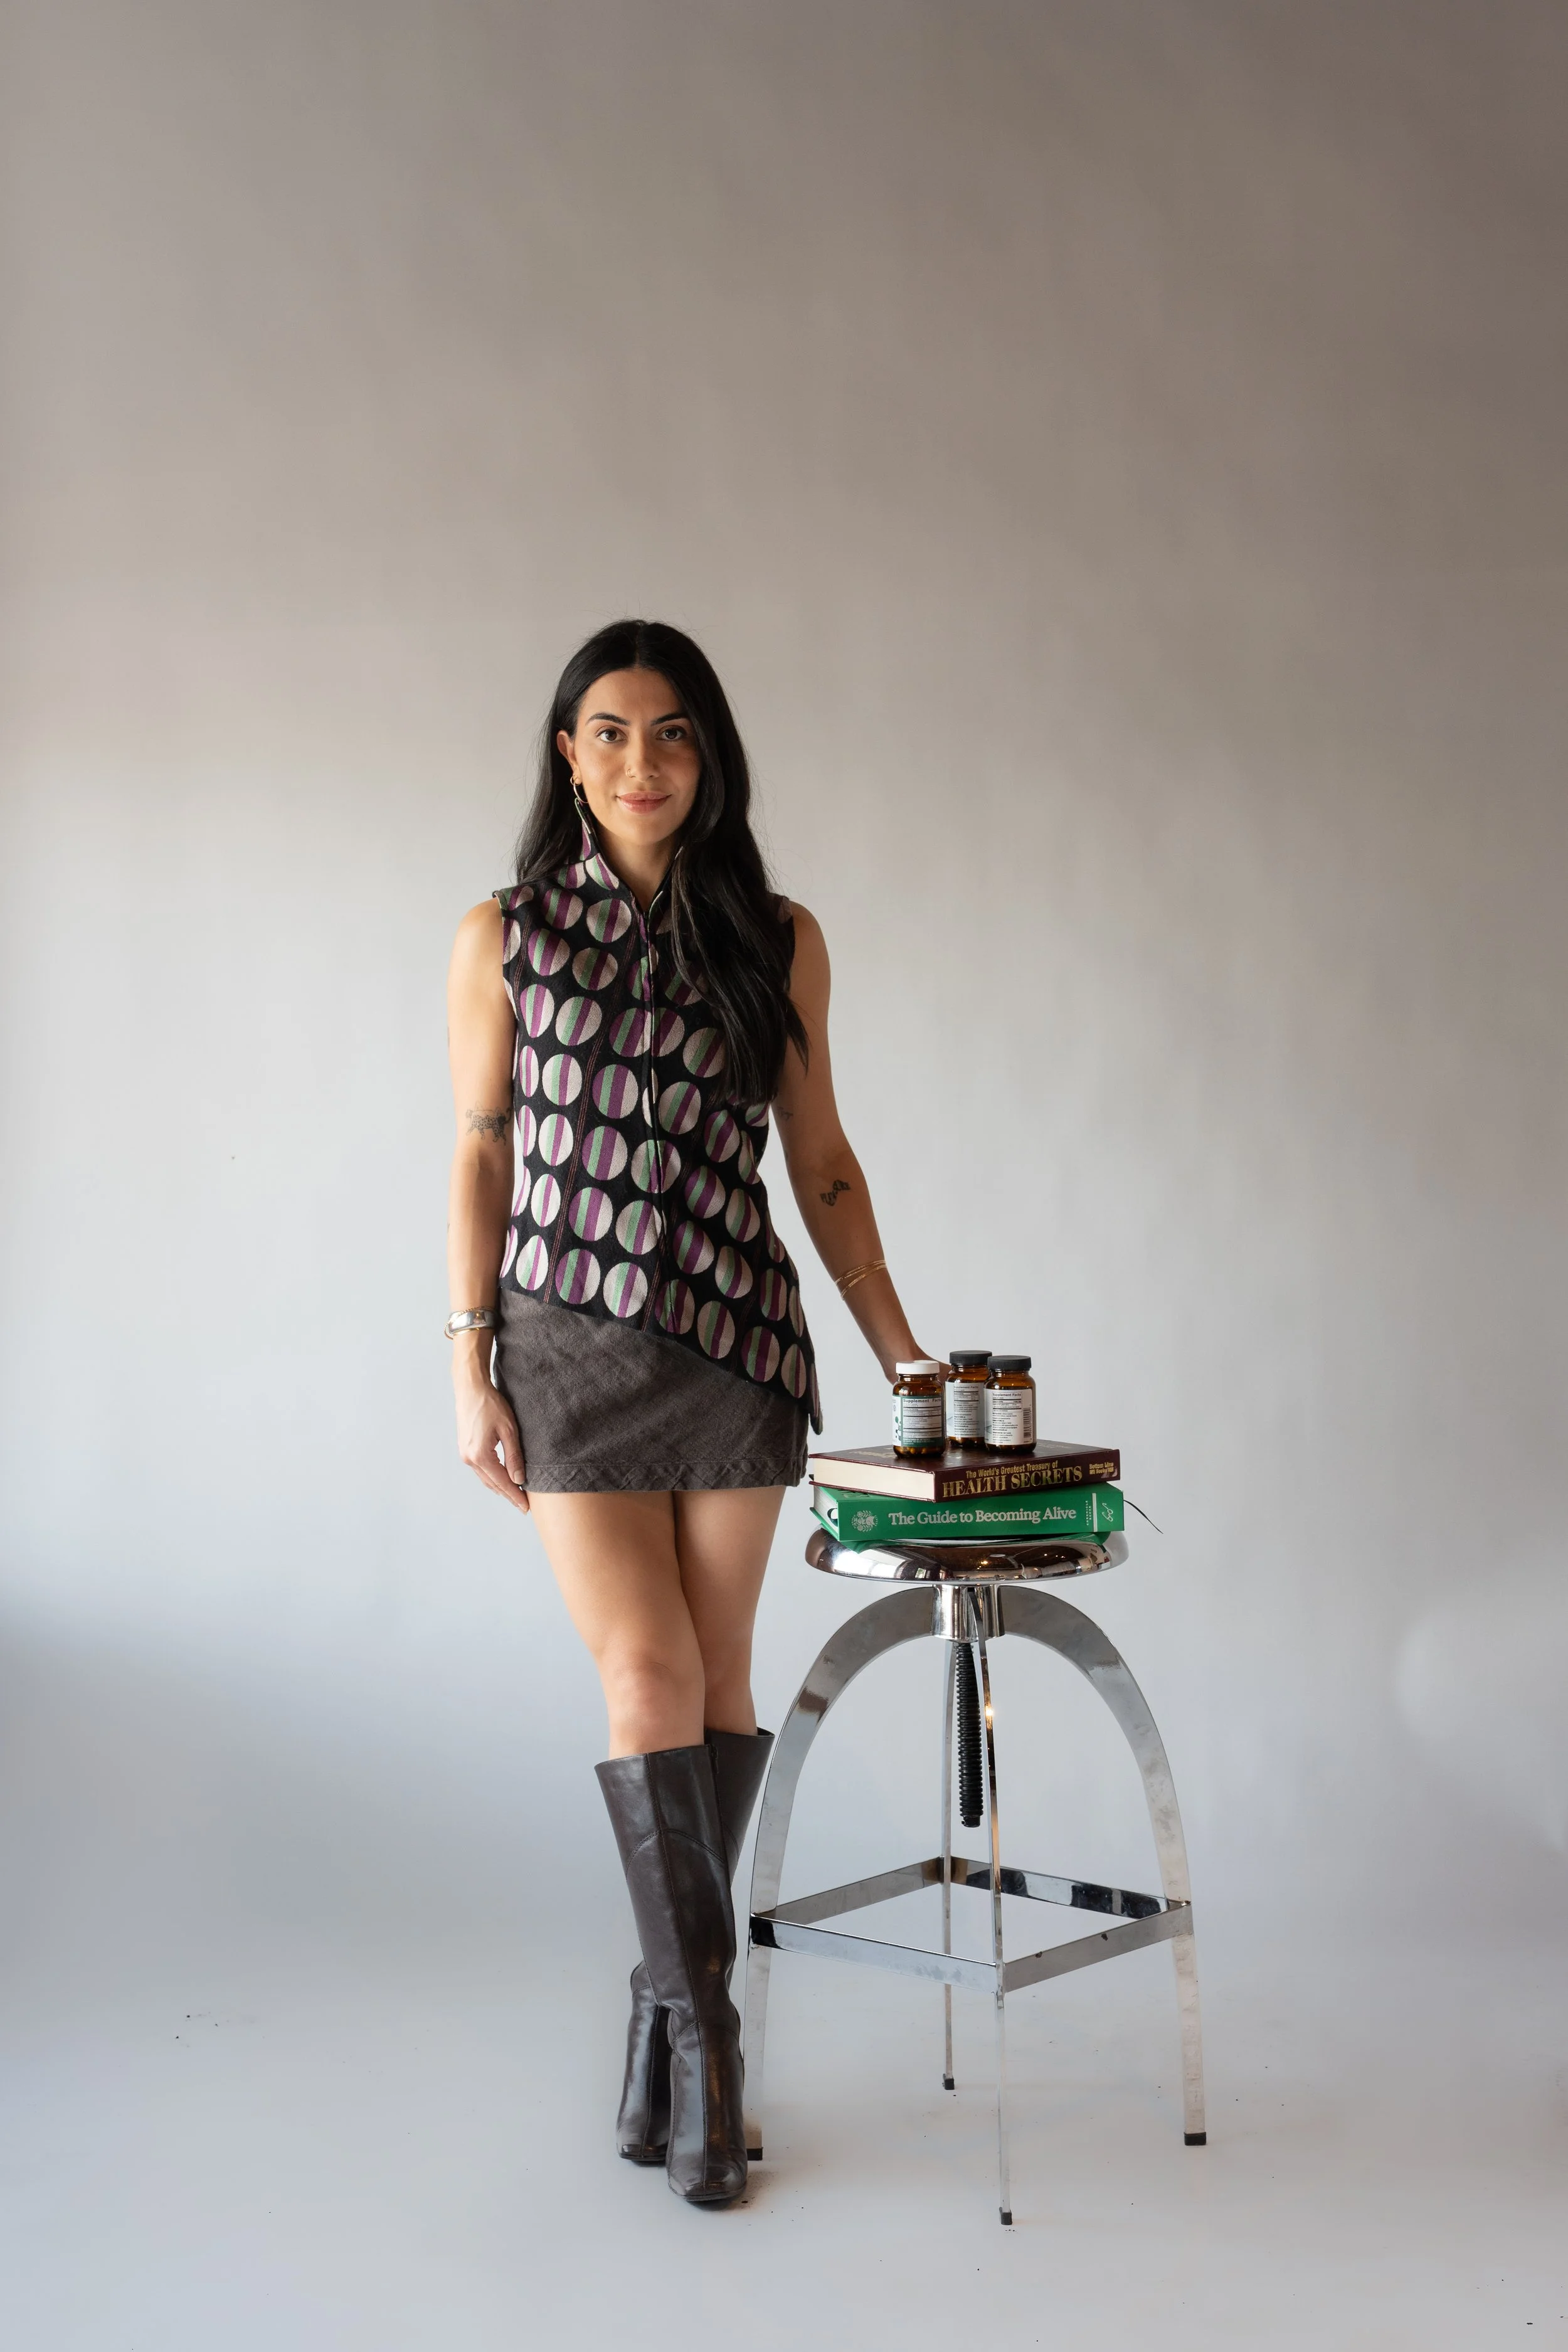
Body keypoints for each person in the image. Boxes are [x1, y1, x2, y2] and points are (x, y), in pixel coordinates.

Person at [444, 619, 935, 2206]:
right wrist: (467, 1362)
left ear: (706, 755)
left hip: (732, 1346)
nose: (640, 764)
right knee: (644, 1670)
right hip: (569, 1351)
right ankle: (707, 2033)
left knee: (719, 1683)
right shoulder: (502, 937)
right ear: (566, 756)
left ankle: (662, 2022)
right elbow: (477, 1152)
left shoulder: (775, 938)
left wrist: (899, 1352)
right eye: (607, 734)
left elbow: (825, 1166)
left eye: (670, 735)